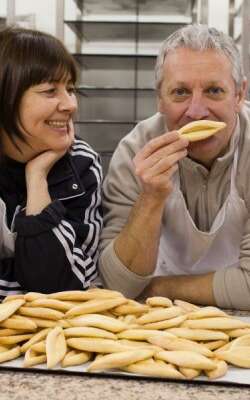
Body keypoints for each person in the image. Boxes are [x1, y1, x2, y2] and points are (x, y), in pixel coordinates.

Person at [98, 24, 250, 310]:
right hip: (155, 325)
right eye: (180, 92)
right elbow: (116, 286)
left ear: (240, 94)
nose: (196, 111)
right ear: (159, 99)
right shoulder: (135, 151)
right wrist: (151, 197)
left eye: (214, 91)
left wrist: (159, 288)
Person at [0, 27, 102, 300]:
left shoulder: (81, 164)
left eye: (70, 89)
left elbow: (65, 287)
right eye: (49, 91)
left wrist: (37, 178)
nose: (70, 105)